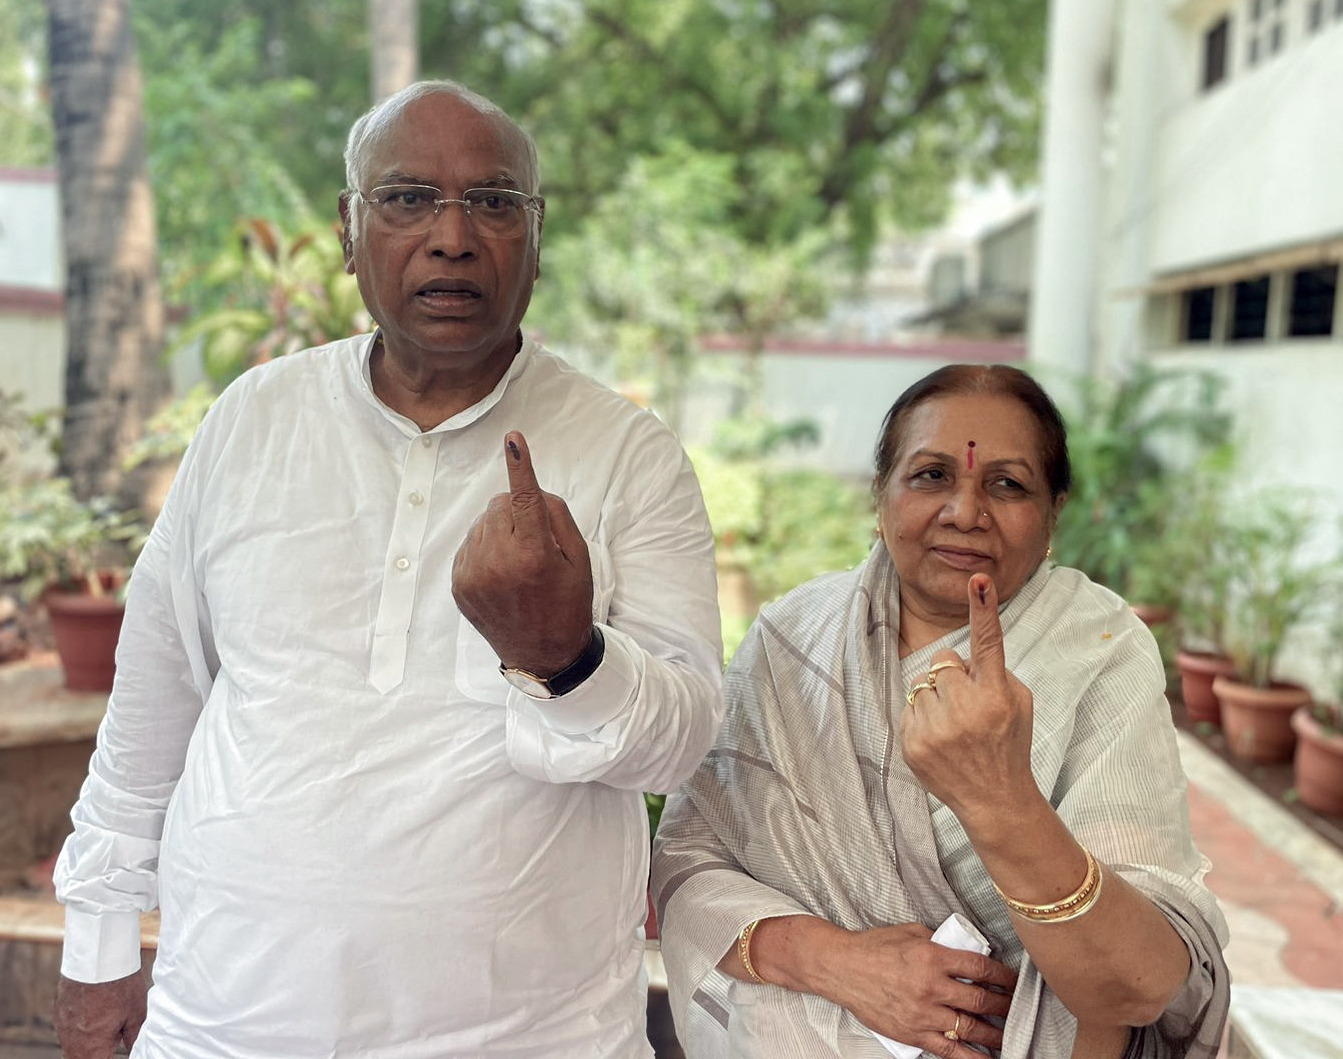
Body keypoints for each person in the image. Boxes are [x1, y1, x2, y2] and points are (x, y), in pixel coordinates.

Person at [53, 79, 724, 1059]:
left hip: (526, 1038)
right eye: (407, 198)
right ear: (346, 227)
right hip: (225, 1025)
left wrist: (564, 656)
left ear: (535, 235)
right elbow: (154, 700)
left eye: (493, 203)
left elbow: (683, 742)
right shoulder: (252, 419)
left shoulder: (626, 453)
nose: (452, 236)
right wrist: (98, 942)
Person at [651, 365, 1229, 1059]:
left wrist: (999, 799)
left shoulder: (1098, 649)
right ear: (879, 493)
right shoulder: (789, 638)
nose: (964, 511)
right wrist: (837, 962)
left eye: (1007, 484)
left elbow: (1135, 986)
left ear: (1054, 515)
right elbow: (687, 858)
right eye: (929, 475)